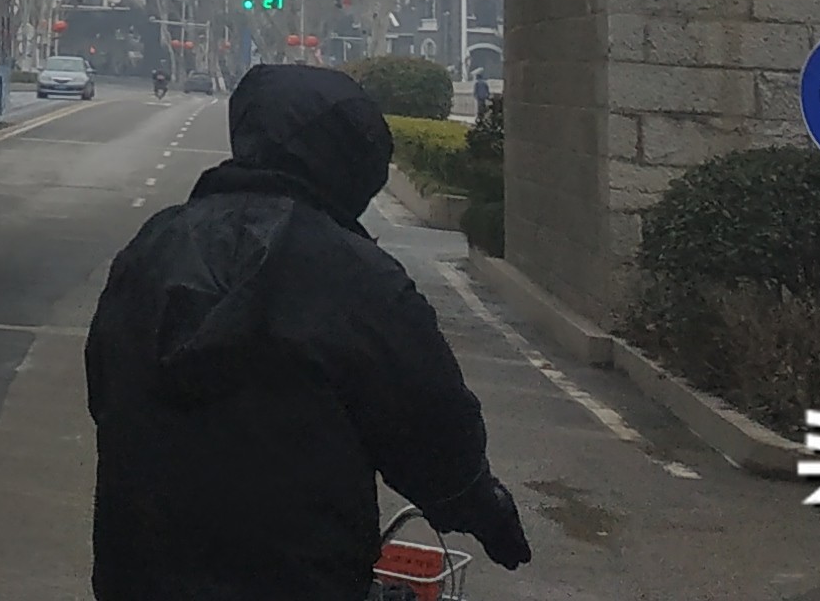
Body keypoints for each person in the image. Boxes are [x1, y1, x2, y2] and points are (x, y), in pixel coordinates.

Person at [83, 61, 531, 598]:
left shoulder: (153, 246)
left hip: (136, 576)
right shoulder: (357, 277)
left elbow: (104, 385)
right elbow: (431, 425)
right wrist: (485, 509)